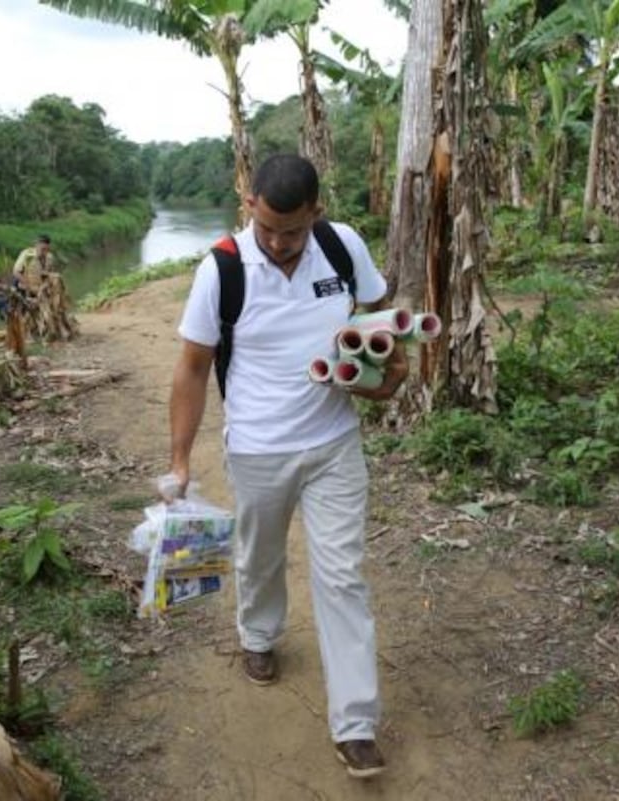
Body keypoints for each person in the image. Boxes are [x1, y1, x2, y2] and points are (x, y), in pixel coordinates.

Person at [166, 154, 407, 779]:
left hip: (333, 443)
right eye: (267, 227)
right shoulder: (222, 268)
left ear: (315, 214)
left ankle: (355, 723)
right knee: (260, 557)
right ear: (250, 206)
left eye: (292, 231)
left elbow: (378, 320)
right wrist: (179, 460)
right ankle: (259, 635)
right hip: (257, 448)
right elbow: (193, 367)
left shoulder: (341, 245)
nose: (277, 243)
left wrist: (386, 375)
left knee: (343, 577)